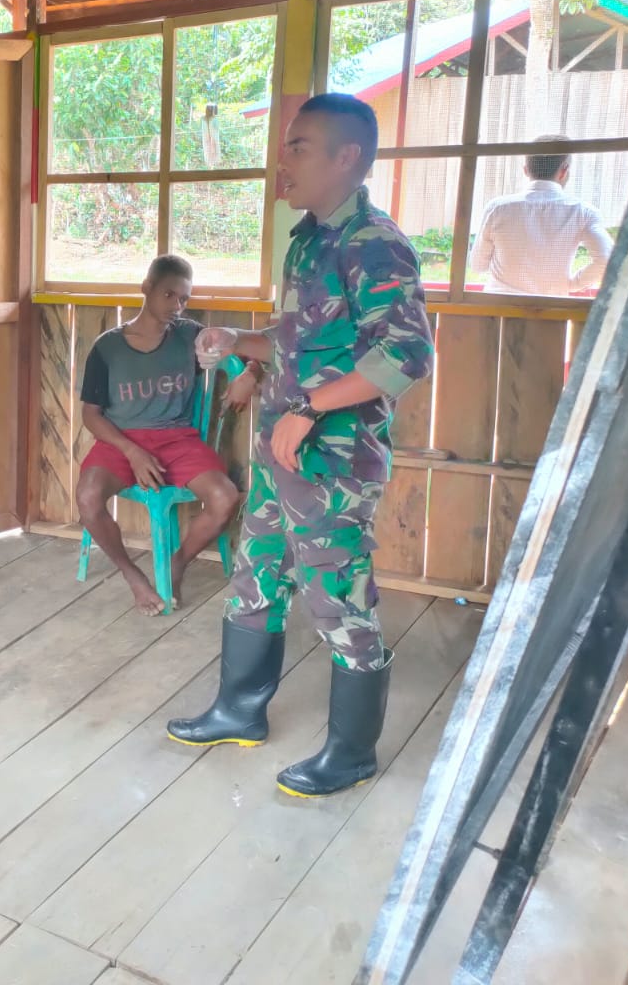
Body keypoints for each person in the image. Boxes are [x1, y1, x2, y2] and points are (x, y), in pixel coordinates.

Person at [168, 93, 433, 800]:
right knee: (257, 578)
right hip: (283, 456)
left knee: (339, 601)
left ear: (348, 157)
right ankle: (238, 710)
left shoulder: (374, 243)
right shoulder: (311, 239)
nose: (282, 160)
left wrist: (309, 408)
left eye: (299, 146)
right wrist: (237, 345)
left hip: (334, 465)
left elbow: (406, 355)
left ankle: (350, 753)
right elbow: (295, 340)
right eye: (286, 145)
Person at [76, 255, 252, 617]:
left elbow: (254, 349)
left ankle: (178, 563)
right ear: (147, 289)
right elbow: (91, 415)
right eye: (169, 295)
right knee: (88, 497)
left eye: (184, 299)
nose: (177, 306)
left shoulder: (190, 335)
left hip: (178, 440)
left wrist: (247, 374)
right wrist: (131, 451)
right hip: (121, 441)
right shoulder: (107, 348)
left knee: (225, 498)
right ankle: (134, 576)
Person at [469, 137, 613, 296]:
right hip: (549, 313)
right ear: (564, 170)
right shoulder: (583, 212)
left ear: (525, 170)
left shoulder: (497, 208)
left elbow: (477, 265)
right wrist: (571, 284)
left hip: (496, 312)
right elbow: (608, 260)